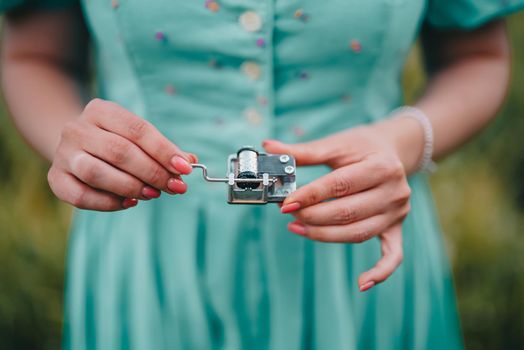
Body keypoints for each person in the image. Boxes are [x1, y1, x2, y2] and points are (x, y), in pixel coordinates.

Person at [1, 0, 522, 348]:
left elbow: (477, 55)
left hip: (361, 255)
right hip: (149, 254)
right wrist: (74, 145)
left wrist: (403, 141)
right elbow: (34, 53)